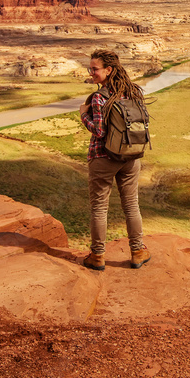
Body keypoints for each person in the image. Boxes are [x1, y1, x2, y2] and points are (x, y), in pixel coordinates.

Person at [79, 49, 151, 271]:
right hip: (131, 156)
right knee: (131, 205)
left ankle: (98, 256)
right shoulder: (133, 92)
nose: (91, 73)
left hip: (103, 157)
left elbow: (99, 131)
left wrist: (83, 115)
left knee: (99, 208)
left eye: (95, 69)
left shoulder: (100, 97)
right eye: (90, 69)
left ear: (108, 70)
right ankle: (137, 252)